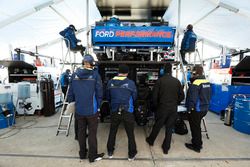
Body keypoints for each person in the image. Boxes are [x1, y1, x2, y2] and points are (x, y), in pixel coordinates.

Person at [67, 54, 104, 163]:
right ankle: (92, 156)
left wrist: (72, 104)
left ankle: (82, 154)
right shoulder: (95, 75)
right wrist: (98, 107)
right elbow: (99, 93)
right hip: (92, 111)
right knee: (92, 134)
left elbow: (70, 93)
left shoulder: (74, 75)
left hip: (79, 110)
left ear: (83, 63)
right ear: (92, 63)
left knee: (81, 133)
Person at [146, 63, 184, 154]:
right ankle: (166, 148)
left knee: (158, 125)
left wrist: (155, 106)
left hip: (162, 107)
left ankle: (151, 140)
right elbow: (182, 96)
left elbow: (154, 96)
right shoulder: (177, 81)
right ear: (171, 70)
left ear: (164, 70)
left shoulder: (160, 81)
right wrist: (176, 102)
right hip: (173, 108)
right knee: (169, 128)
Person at [106, 64, 138, 161]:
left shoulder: (110, 82)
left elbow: (107, 97)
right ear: (127, 73)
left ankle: (110, 151)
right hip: (127, 111)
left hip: (114, 110)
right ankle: (131, 154)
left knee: (112, 131)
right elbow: (135, 96)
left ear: (118, 72)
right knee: (130, 133)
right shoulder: (131, 83)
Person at [185, 65, 211, 153]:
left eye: (192, 72)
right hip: (205, 108)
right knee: (197, 126)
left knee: (195, 127)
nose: (191, 74)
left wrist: (189, 109)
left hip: (196, 109)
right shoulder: (206, 82)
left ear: (195, 73)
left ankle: (196, 146)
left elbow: (193, 98)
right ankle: (198, 142)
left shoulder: (196, 83)